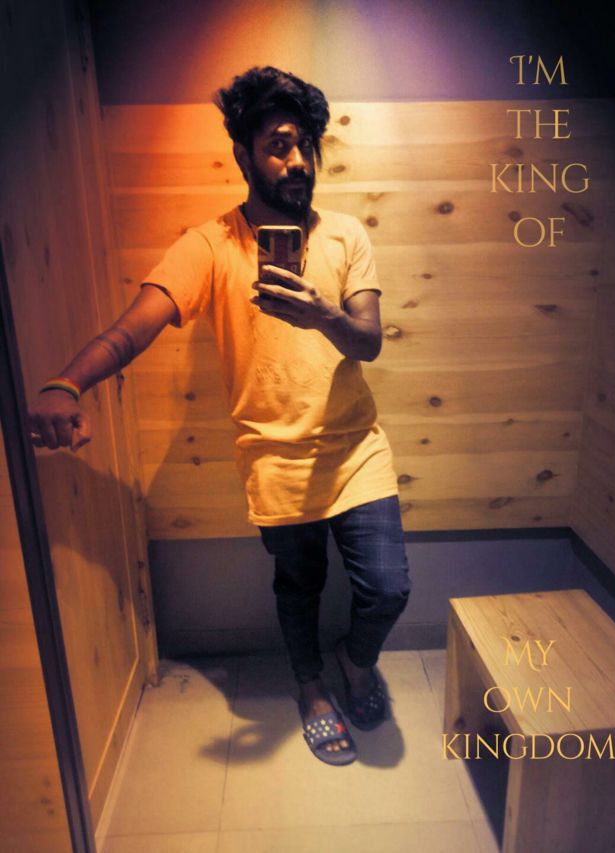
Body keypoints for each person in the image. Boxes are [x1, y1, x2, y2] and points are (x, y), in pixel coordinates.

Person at [28, 66, 411, 766]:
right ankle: (311, 688)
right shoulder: (210, 245)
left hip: (357, 451)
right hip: (274, 457)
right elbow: (131, 330)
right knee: (298, 586)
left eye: (305, 145)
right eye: (278, 145)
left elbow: (368, 341)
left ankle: (357, 663)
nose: (297, 161)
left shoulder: (345, 235)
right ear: (244, 154)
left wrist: (323, 316)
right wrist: (66, 383)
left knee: (389, 587)